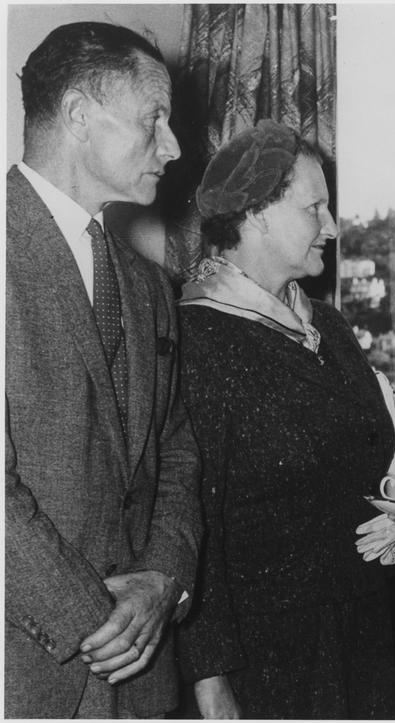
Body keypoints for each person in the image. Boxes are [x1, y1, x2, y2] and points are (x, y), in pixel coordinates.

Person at [175, 120, 395, 718]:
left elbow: (365, 469)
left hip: (361, 632)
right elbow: (191, 526)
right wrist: (209, 679)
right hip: (265, 659)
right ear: (257, 212)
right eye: (314, 207)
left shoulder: (331, 327)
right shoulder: (197, 339)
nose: (333, 226)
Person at [5, 22, 202, 718]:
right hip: (30, 673)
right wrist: (100, 620)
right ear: (81, 115)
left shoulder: (149, 284)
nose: (174, 147)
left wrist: (162, 581)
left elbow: (176, 446)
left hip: (144, 680)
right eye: (155, 119)